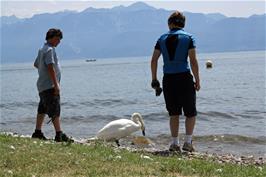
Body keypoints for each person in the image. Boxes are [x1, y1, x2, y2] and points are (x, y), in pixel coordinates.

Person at [150, 11, 200, 152]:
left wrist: (154, 79)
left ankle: (174, 144)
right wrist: (197, 79)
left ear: (169, 23)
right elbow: (193, 61)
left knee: (174, 113)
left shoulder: (161, 38)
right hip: (184, 77)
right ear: (183, 24)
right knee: (190, 112)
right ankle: (188, 143)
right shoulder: (189, 38)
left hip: (169, 79)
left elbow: (154, 60)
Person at [32, 28, 73, 142]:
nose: (59, 41)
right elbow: (50, 67)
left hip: (42, 85)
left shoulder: (42, 49)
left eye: (60, 39)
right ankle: (59, 134)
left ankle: (37, 132)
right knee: (54, 109)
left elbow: (36, 64)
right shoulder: (49, 50)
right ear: (51, 37)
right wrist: (56, 85)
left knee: (42, 109)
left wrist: (43, 73)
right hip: (49, 86)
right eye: (57, 39)